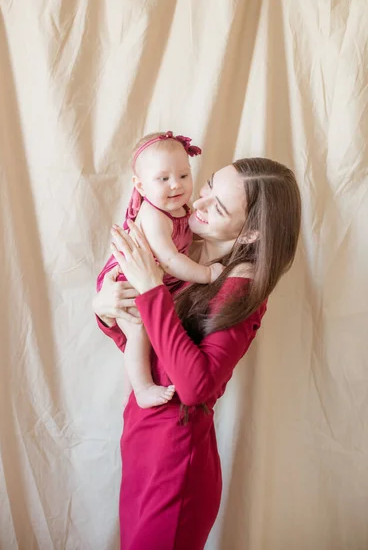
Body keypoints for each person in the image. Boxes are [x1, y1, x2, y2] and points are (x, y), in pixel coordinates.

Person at [93, 157, 302, 550]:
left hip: (174, 462)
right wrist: (107, 308)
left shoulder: (243, 286)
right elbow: (155, 348)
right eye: (207, 187)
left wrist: (152, 287)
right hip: (143, 440)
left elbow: (195, 386)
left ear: (252, 234)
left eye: (218, 207)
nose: (198, 204)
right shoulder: (191, 255)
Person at [98, 131, 223, 409]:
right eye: (163, 179)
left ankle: (144, 383)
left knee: (161, 328)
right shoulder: (154, 216)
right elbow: (169, 260)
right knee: (139, 332)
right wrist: (206, 274)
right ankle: (142, 389)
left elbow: (190, 236)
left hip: (153, 281)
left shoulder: (179, 208)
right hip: (126, 280)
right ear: (140, 186)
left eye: (183, 175)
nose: (175, 185)